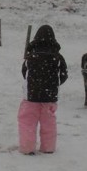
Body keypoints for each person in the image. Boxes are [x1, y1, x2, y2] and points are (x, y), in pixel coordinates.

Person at [18, 24, 68, 154]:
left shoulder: (31, 56)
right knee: (49, 123)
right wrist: (53, 85)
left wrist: (33, 84)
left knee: (27, 122)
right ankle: (48, 147)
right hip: (50, 97)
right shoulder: (57, 57)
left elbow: (24, 73)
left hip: (31, 96)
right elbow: (63, 75)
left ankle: (27, 148)